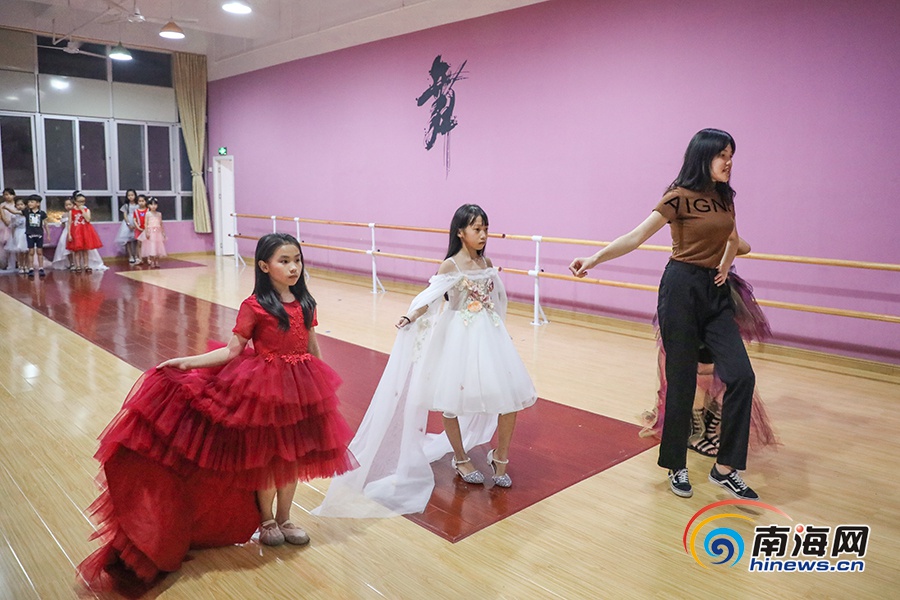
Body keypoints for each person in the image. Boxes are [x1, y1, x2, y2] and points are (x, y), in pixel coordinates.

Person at [77, 233, 356, 593]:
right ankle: (267, 521)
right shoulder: (255, 305)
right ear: (264, 266)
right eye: (284, 261)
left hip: (301, 386)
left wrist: (321, 386)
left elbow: (313, 347)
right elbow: (232, 350)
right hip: (265, 390)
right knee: (268, 458)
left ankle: (286, 518)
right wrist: (187, 362)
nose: (293, 268)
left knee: (293, 458)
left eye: (297, 260)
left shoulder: (306, 302)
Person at [569, 128, 760, 500]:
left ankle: (725, 469)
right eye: (722, 155)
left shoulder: (725, 197)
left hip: (715, 293)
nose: (728, 162)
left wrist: (725, 264)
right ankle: (676, 464)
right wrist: (593, 258)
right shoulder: (677, 198)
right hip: (681, 290)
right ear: (703, 157)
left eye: (731, 155)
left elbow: (734, 238)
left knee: (742, 375)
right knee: (682, 380)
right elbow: (635, 236)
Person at [315, 204, 537, 519]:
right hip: (459, 339)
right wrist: (411, 315)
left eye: (486, 229)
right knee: (451, 400)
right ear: (460, 232)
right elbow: (430, 297)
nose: (483, 235)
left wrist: (501, 330)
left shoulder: (486, 263)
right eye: (477, 229)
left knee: (508, 398)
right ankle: (461, 458)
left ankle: (500, 457)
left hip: (489, 337)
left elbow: (498, 298)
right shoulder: (450, 265)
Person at [68, 192, 103, 273]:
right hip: (76, 232)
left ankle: (86, 265)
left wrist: (82, 210)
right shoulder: (71, 211)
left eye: (83, 201)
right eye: (79, 201)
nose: (81, 203)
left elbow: (88, 219)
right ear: (75, 202)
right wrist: (69, 234)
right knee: (77, 250)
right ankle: (78, 265)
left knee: (85, 250)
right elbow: (69, 223)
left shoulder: (87, 210)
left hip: (85, 232)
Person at [23, 194, 49, 278]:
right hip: (30, 234)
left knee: (40, 251)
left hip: (39, 234)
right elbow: (15, 211)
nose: (29, 203)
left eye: (32, 202)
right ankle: (31, 268)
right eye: (29, 202)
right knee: (31, 251)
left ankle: (41, 268)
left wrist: (48, 234)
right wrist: (6, 208)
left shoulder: (42, 213)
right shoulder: (26, 212)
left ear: (38, 203)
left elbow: (46, 224)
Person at [138, 197, 166, 268]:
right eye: (151, 204)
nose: (153, 206)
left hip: (158, 233)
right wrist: (146, 232)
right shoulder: (148, 214)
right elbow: (146, 224)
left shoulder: (159, 214)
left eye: (155, 204)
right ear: (148, 205)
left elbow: (161, 223)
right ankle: (152, 261)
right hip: (151, 232)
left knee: (158, 247)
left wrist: (163, 232)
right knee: (151, 247)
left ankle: (157, 261)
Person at [3, 197, 28, 275]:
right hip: (18, 233)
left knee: (26, 251)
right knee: (19, 251)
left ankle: (26, 266)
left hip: (26, 233)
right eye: (18, 205)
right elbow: (13, 227)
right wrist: (13, 236)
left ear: (25, 205)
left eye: (21, 204)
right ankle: (20, 266)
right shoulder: (14, 216)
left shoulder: (27, 215)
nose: (19, 206)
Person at [115, 189, 140, 264]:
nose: (130, 197)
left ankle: (136, 255)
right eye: (129, 195)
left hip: (137, 222)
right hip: (128, 223)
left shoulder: (138, 205)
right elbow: (125, 215)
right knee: (128, 240)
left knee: (136, 240)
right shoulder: (126, 205)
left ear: (135, 195)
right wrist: (128, 224)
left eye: (132, 195)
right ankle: (130, 256)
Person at [0, 187, 16, 270]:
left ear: (14, 195)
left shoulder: (17, 205)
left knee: (14, 244)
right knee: (4, 244)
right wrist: (8, 223)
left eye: (10, 194)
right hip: (5, 227)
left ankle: (14, 263)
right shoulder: (2, 205)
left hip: (15, 227)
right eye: (5, 195)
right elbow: (3, 217)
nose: (8, 196)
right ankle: (4, 263)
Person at [132, 195, 148, 263]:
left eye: (142, 201)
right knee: (139, 244)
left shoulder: (148, 210)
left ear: (145, 201)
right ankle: (140, 258)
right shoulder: (136, 211)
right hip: (138, 230)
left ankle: (148, 258)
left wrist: (146, 228)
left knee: (147, 244)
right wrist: (138, 227)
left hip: (146, 229)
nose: (141, 203)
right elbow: (134, 220)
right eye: (139, 201)